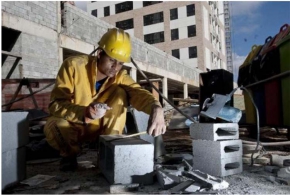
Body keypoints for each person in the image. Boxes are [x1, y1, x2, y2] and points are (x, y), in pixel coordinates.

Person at [44, 28, 166, 171]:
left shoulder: (119, 77)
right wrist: (84, 113)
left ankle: (107, 151)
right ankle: (69, 156)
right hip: (74, 124)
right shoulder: (74, 66)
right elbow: (55, 104)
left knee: (121, 93)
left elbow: (138, 92)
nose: (115, 67)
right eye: (112, 60)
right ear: (99, 53)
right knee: (55, 125)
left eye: (120, 63)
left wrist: (156, 107)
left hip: (101, 128)